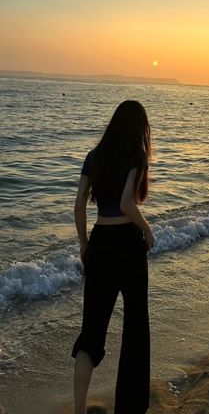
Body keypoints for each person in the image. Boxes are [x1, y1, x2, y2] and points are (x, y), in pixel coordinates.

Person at [71, 100, 155, 414]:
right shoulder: (137, 155)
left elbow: (79, 206)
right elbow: (127, 204)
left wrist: (84, 245)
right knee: (135, 326)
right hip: (128, 245)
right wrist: (147, 229)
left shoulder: (94, 157)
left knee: (91, 332)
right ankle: (129, 408)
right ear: (139, 129)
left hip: (101, 243)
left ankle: (79, 410)